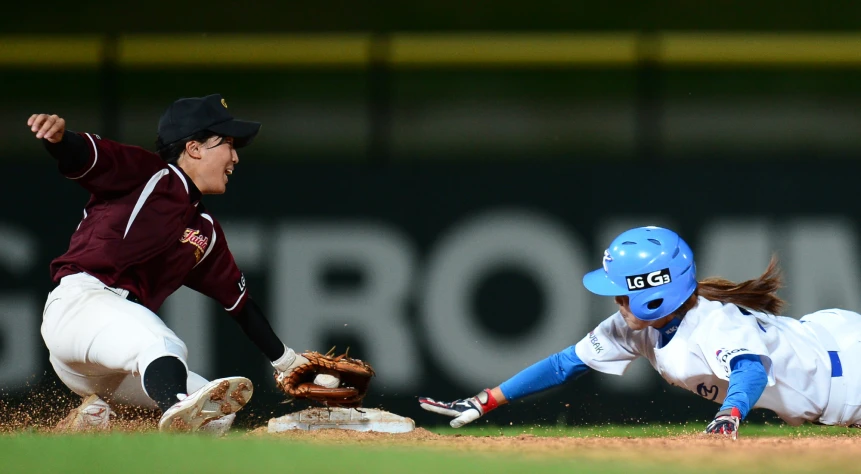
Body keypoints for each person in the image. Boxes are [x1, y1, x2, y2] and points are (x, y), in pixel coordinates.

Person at [29, 94, 311, 434]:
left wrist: (288, 362)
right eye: (228, 145)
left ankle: (90, 423)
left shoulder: (203, 230)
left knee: (216, 416)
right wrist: (60, 140)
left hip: (115, 363)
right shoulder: (148, 173)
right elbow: (85, 156)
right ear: (194, 148)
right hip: (81, 308)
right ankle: (174, 404)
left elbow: (240, 306)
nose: (235, 158)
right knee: (164, 346)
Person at [420, 226, 861, 439]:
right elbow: (565, 364)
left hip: (851, 372)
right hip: (827, 353)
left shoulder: (711, 323)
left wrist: (730, 415)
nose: (616, 301)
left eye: (624, 292)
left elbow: (750, 370)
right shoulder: (637, 327)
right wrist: (490, 398)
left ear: (658, 294)